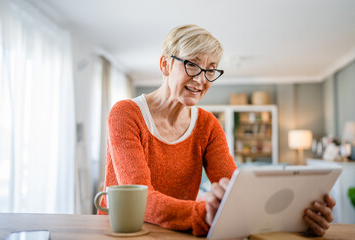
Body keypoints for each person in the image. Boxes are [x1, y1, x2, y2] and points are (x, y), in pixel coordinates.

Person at [98, 24, 335, 236]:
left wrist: (299, 217)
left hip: (176, 233)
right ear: (165, 65)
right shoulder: (125, 114)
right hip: (123, 233)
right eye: (192, 64)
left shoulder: (208, 125)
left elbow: (236, 190)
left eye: (210, 70)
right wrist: (205, 214)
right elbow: (140, 200)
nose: (201, 80)